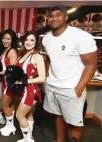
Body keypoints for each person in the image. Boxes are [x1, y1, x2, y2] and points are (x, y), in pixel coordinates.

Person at [42, 5, 98, 142]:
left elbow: (91, 64)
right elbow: (49, 59)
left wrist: (79, 88)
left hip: (71, 88)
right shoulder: (46, 38)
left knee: (74, 123)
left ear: (66, 17)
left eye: (58, 14)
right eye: (51, 15)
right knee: (58, 116)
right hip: (53, 87)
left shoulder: (81, 36)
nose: (54, 17)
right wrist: (48, 77)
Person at [16, 31, 46, 142]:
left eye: (32, 40)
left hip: (30, 91)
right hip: (23, 90)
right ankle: (30, 137)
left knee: (19, 115)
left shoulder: (37, 56)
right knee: (28, 114)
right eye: (27, 39)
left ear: (36, 42)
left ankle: (27, 139)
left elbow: (42, 78)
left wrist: (24, 81)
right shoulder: (23, 54)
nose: (28, 42)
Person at [0, 29, 18, 136]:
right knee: (9, 105)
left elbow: (13, 69)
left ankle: (11, 127)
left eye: (8, 39)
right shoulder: (5, 50)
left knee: (4, 105)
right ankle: (9, 125)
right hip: (5, 81)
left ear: (12, 40)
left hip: (10, 81)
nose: (5, 40)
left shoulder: (12, 51)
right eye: (4, 38)